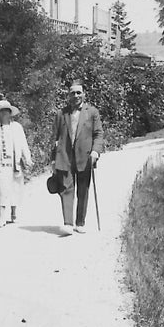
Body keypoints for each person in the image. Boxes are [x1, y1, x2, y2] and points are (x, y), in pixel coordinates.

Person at [51, 82, 104, 234]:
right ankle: (67, 223)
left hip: (85, 156)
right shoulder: (61, 114)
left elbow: (98, 134)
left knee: (83, 190)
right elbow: (54, 137)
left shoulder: (92, 112)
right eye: (72, 93)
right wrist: (53, 159)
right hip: (65, 157)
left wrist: (95, 151)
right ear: (68, 95)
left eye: (78, 93)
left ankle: (80, 222)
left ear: (83, 94)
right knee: (65, 189)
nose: (75, 96)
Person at [0, 98, 33, 228]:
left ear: (10, 113)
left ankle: (13, 213)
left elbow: (23, 144)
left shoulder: (17, 127)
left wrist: (27, 158)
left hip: (14, 163)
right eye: (2, 112)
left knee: (15, 188)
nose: (4, 114)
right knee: (1, 190)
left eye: (6, 111)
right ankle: (2, 217)